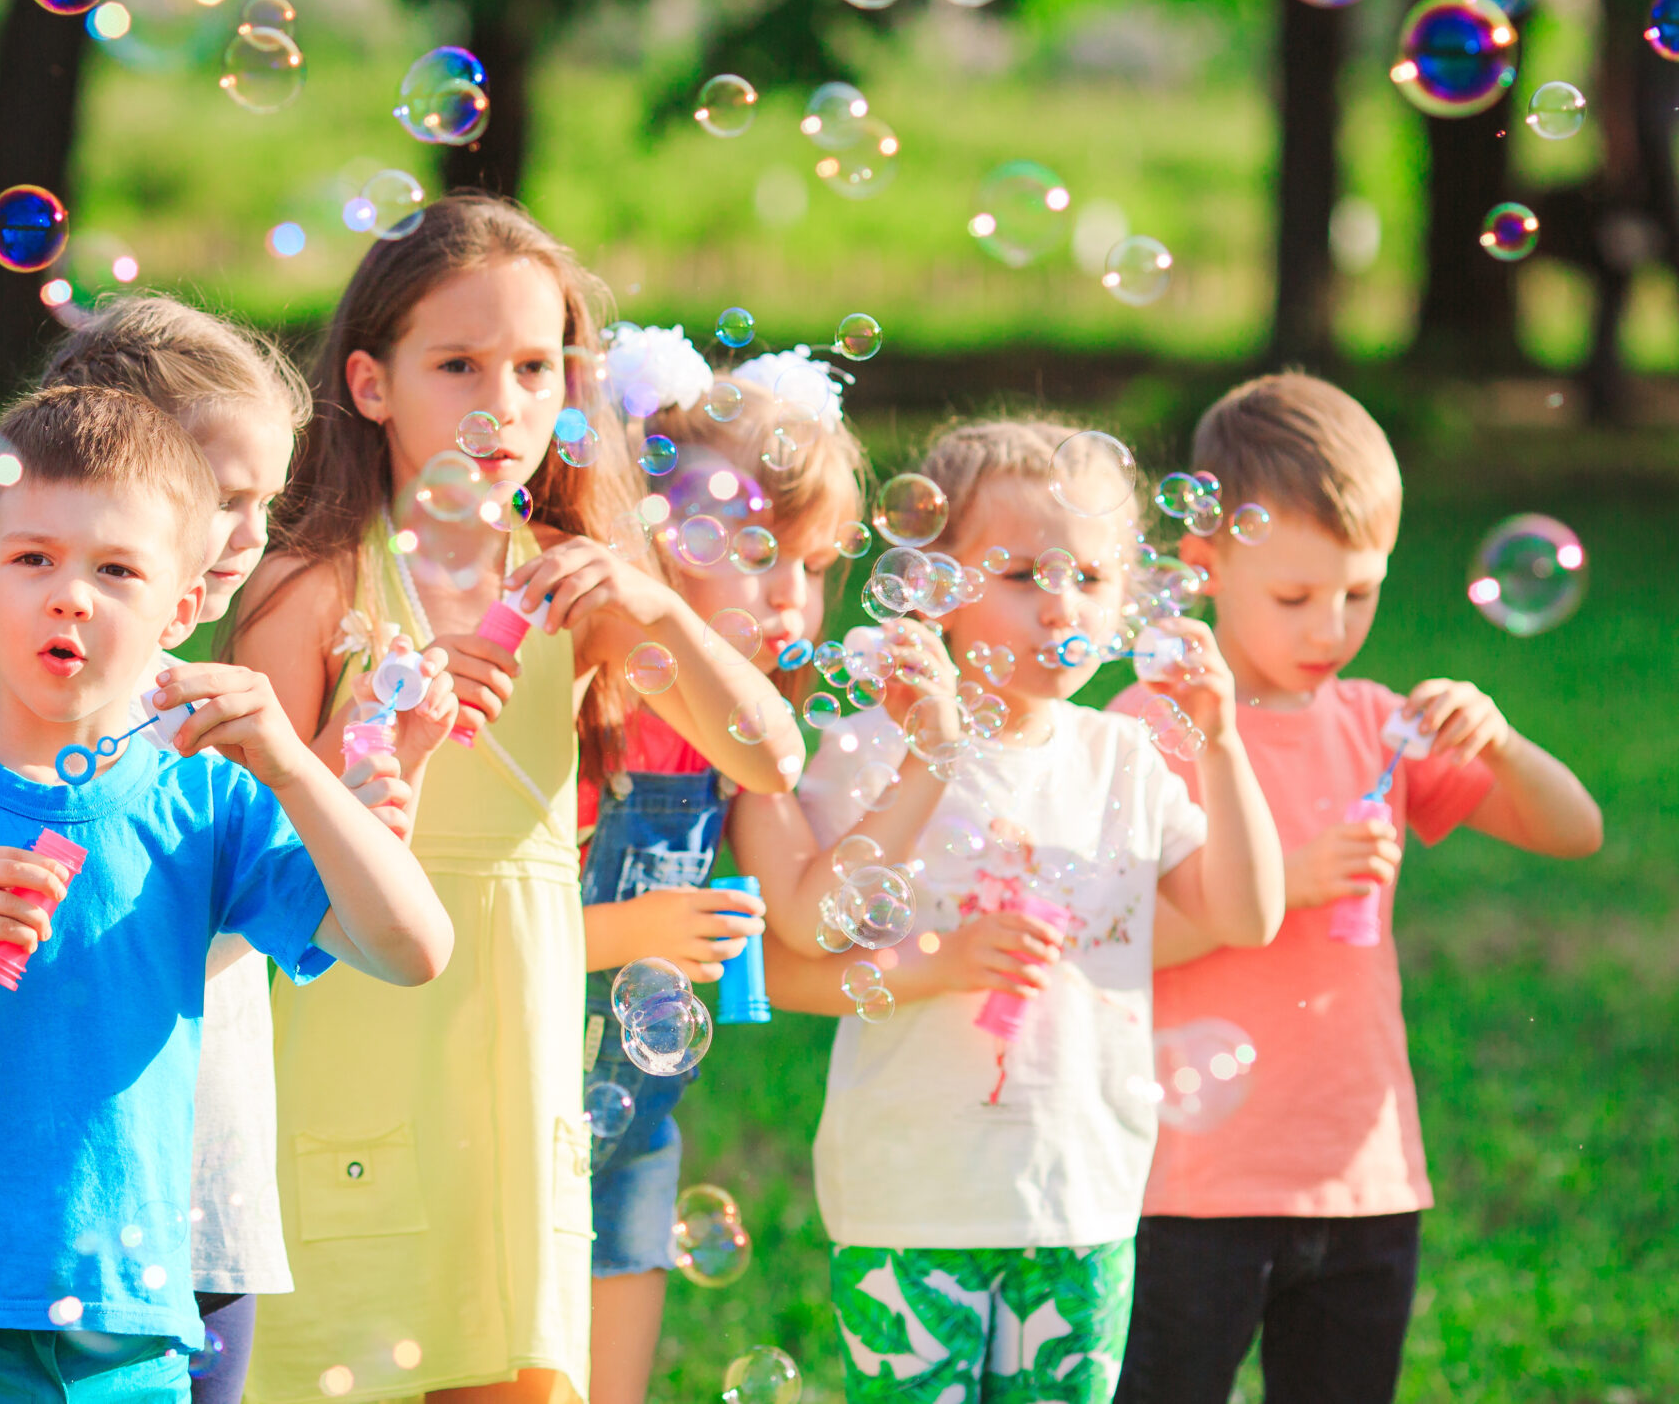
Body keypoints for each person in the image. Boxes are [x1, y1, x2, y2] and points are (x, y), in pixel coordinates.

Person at [0, 385, 452, 1404]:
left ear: (181, 608)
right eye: (32, 558)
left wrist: (297, 769)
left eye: (117, 571)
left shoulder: (207, 800)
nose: (70, 596)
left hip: (132, 1346)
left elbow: (411, 948)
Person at [229, 195, 803, 1404]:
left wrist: (657, 612)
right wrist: (378, 728)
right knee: (343, 1355)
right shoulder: (317, 585)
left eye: (536, 366)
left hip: (519, 1039)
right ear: (373, 385)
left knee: (511, 1369)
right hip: (353, 1027)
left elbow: (768, 758)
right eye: (460, 365)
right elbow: (243, 846)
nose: (504, 403)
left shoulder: (576, 587)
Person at [738, 417, 1284, 1404]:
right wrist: (937, 966)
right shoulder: (869, 751)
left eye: (1089, 578)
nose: (1058, 607)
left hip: (1083, 1196)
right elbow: (787, 961)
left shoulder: (1123, 756)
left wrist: (1221, 748)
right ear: (935, 585)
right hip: (909, 1196)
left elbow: (1246, 916)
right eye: (1022, 575)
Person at [0, 297, 425, 1404]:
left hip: (199, 1197)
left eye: (262, 503)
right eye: (218, 498)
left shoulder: (207, 729)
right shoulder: (36, 713)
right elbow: (95, 941)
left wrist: (346, 799)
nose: (243, 536)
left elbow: (380, 934)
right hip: (65, 1214)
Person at [1110, 374, 1602, 1404]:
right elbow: (1112, 940)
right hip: (1193, 1185)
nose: (1329, 627)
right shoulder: (1153, 725)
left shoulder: (1379, 725)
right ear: (1201, 565)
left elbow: (1575, 831)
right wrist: (1277, 884)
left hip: (1365, 1176)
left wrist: (1502, 747)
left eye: (1358, 591)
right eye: (1294, 597)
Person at [576, 341, 866, 1404]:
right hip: (508, 1093)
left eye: (818, 563)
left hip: (636, 1121)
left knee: (616, 1329)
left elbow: (806, 912)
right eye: (754, 547)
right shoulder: (575, 699)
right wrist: (629, 932)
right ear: (641, 538)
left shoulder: (743, 739)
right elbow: (487, 920)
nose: (791, 595)